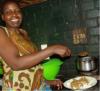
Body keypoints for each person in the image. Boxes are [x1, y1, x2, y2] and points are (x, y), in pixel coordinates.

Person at [0, 0, 71, 91]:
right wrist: (52, 49)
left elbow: (34, 65)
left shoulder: (23, 33)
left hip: (38, 87)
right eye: (8, 11)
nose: (14, 14)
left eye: (17, 10)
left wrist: (47, 81)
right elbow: (16, 64)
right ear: (3, 17)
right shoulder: (1, 32)